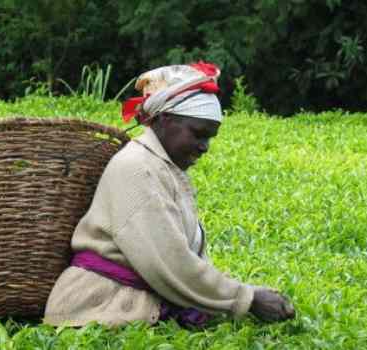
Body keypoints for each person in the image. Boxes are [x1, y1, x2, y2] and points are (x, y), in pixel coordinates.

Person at [44, 62, 295, 327]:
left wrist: (235, 291)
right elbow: (170, 263)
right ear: (164, 120)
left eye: (210, 138)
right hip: (99, 304)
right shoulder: (137, 168)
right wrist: (247, 298)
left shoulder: (164, 166)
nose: (205, 147)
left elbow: (185, 256)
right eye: (198, 134)